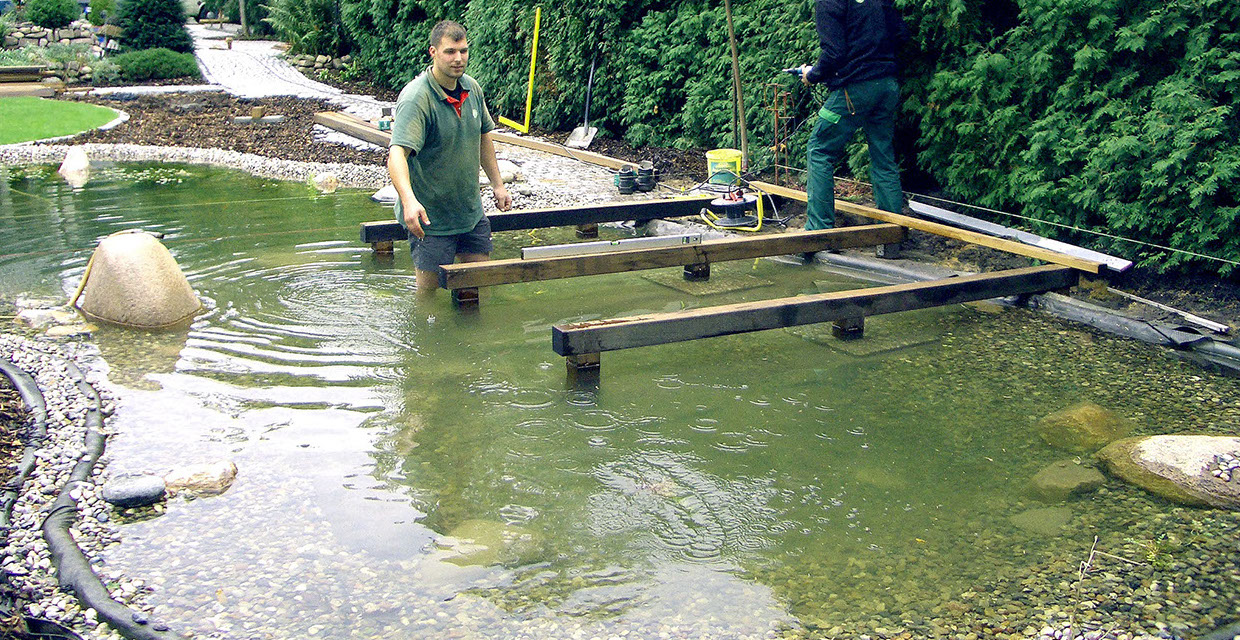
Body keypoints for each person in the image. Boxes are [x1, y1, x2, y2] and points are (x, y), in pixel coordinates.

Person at [387, 20, 512, 295]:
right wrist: (409, 202)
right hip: (431, 219)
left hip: (469, 211)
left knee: (474, 287)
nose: (458, 59)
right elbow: (396, 153)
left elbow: (483, 136)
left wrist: (497, 184)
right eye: (450, 52)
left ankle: (472, 336)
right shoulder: (417, 98)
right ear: (433, 52)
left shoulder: (472, 88)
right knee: (429, 299)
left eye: (463, 51)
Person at [800, 0, 909, 230]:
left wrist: (812, 75)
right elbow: (901, 34)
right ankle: (891, 235)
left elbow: (834, 53)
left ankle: (819, 231)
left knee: (819, 149)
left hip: (854, 90)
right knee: (883, 155)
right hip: (887, 86)